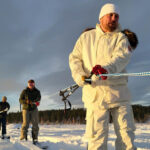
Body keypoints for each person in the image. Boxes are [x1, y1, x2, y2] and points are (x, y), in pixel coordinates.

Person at [69, 3, 137, 150]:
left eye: (116, 16)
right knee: (96, 140)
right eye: (110, 15)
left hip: (119, 94)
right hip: (95, 96)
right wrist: (80, 75)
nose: (114, 18)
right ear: (101, 17)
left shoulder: (121, 38)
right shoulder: (86, 38)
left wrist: (105, 70)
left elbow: (121, 57)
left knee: (127, 138)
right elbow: (74, 59)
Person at [19, 79, 41, 144]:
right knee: (25, 124)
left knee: (35, 125)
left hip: (34, 109)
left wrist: (35, 102)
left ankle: (35, 139)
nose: (31, 85)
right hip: (26, 109)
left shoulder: (37, 91)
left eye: (32, 84)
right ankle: (23, 138)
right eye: (30, 84)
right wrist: (26, 101)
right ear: (28, 84)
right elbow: (20, 100)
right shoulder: (24, 91)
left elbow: (39, 98)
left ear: (34, 84)